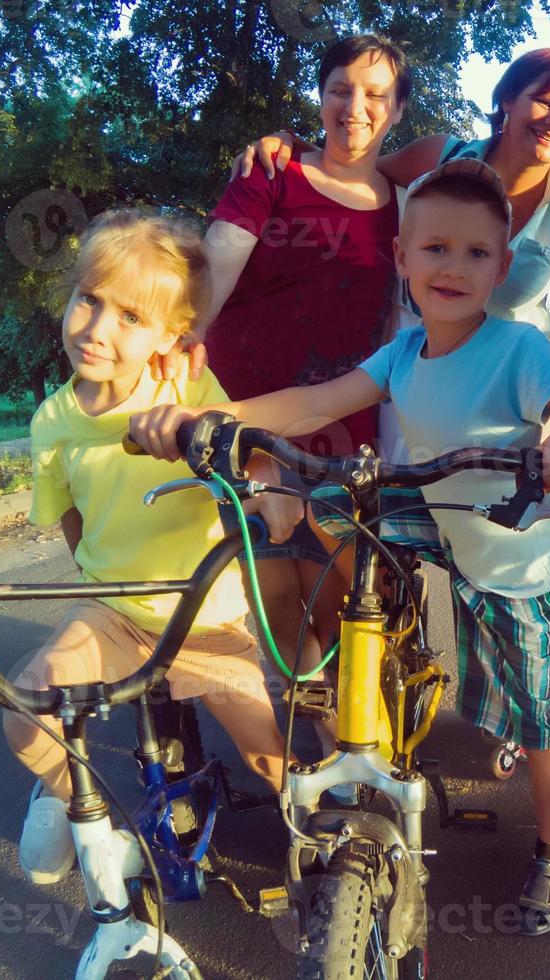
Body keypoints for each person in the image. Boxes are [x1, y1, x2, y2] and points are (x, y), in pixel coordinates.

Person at [130, 159, 550, 935]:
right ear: (402, 259)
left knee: (532, 723)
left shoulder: (518, 349)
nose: (452, 266)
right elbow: (314, 401)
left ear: (503, 267)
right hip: (436, 515)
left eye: (476, 254)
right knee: (329, 501)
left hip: (512, 554)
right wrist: (208, 417)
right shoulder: (403, 351)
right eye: (434, 249)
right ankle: (378, 636)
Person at [8, 210, 296, 885]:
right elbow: (72, 520)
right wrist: (100, 579)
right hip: (115, 616)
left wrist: (269, 487)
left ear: (172, 335)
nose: (97, 329)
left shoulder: (183, 387)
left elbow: (244, 452)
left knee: (268, 758)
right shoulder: (52, 420)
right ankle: (62, 794)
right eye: (89, 300)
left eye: (131, 318)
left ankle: (317, 850)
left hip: (206, 617)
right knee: (29, 708)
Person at [187, 34, 414, 676]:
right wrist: (186, 336)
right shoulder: (273, 173)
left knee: (344, 596)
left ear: (397, 111)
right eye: (341, 89)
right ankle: (309, 743)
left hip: (346, 427)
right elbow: (221, 255)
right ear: (320, 95)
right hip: (247, 416)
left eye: (376, 95)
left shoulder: (407, 205)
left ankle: (359, 736)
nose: (356, 107)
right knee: (275, 587)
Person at [242, 47, 550, 359]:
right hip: (407, 373)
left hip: (511, 398)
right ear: (508, 99)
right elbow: (351, 171)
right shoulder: (440, 157)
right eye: (544, 101)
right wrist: (288, 143)